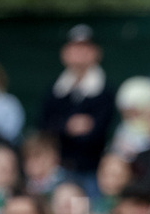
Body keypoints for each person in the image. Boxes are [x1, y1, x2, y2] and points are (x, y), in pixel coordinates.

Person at [38, 24, 116, 200]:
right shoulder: (54, 90)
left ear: (96, 53)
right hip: (58, 171)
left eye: (85, 48)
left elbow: (98, 132)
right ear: (65, 53)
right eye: (75, 48)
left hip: (92, 172)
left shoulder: (105, 91)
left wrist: (62, 127)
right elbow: (43, 127)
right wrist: (68, 126)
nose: (79, 54)